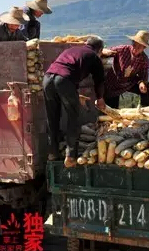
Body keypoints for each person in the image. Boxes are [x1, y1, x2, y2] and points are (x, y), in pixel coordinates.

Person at [43, 36, 106, 168]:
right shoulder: (94, 56)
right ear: (99, 50)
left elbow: (64, 70)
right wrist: (100, 98)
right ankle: (71, 156)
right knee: (73, 117)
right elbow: (99, 80)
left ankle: (52, 152)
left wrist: (75, 94)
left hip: (47, 79)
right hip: (64, 80)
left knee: (52, 117)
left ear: (86, 44)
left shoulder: (71, 50)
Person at [102, 30, 149, 109]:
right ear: (133, 42)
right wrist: (105, 51)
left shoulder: (144, 60)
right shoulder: (122, 49)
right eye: (135, 44)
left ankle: (145, 111)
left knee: (146, 87)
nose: (136, 47)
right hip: (113, 83)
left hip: (129, 83)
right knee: (112, 109)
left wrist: (141, 83)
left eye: (140, 46)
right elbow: (108, 51)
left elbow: (144, 75)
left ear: (144, 48)